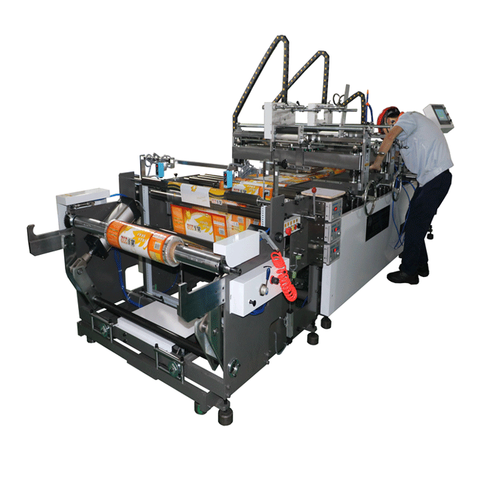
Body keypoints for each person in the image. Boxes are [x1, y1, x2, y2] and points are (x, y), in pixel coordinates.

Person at [370, 107, 453, 284]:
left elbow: (390, 138)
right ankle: (421, 265)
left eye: (385, 129)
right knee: (413, 223)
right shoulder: (409, 130)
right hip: (430, 180)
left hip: (435, 179)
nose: (387, 134)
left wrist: (377, 163)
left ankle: (409, 272)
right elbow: (399, 148)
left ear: (390, 121)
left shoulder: (408, 117)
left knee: (415, 225)